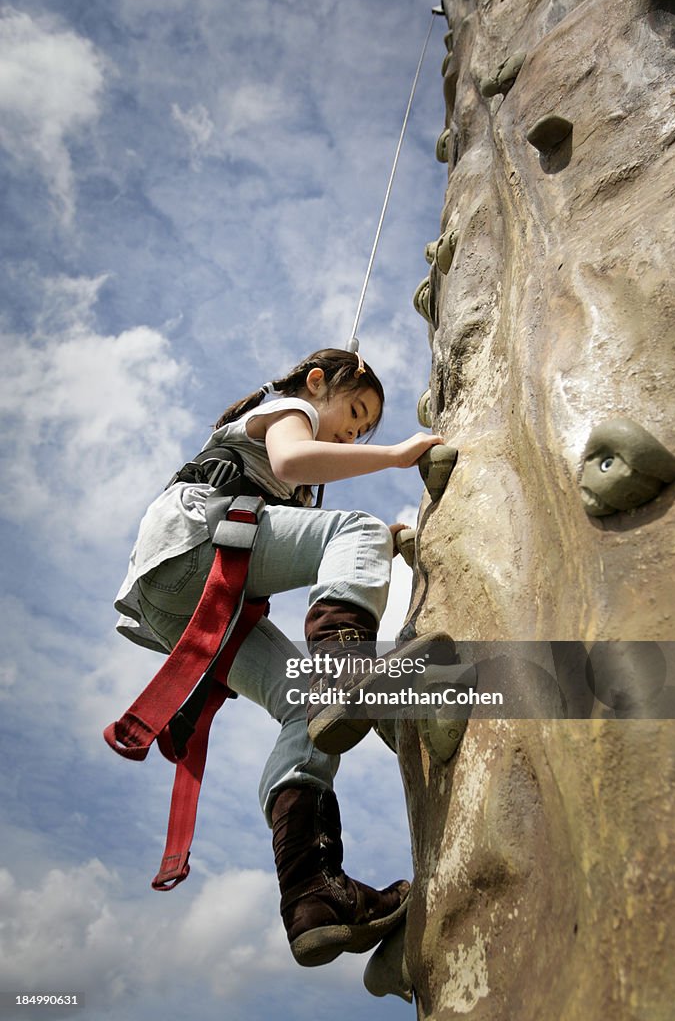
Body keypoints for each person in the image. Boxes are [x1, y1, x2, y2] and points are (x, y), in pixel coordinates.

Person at [114, 347, 443, 967]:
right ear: (317, 383)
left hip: (183, 598)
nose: (354, 430)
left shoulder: (286, 487)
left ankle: (312, 892)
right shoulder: (286, 409)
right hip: (198, 551)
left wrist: (385, 545)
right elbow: (295, 459)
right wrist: (397, 455)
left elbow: (292, 539)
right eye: (353, 411)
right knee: (359, 530)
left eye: (365, 427)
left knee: (308, 707)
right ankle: (347, 664)